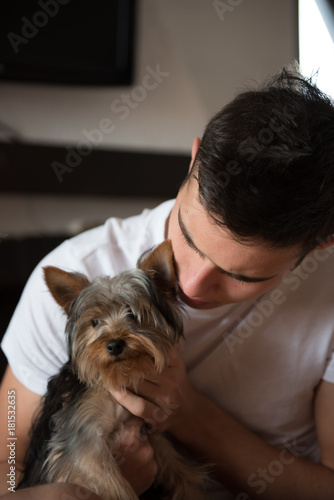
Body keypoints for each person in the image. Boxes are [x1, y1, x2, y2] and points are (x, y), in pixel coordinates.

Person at [1, 66, 334, 500]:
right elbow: (9, 454)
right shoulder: (74, 271)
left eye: (240, 276)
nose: (190, 285)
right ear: (194, 159)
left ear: (322, 246)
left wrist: (191, 415)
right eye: (189, 238)